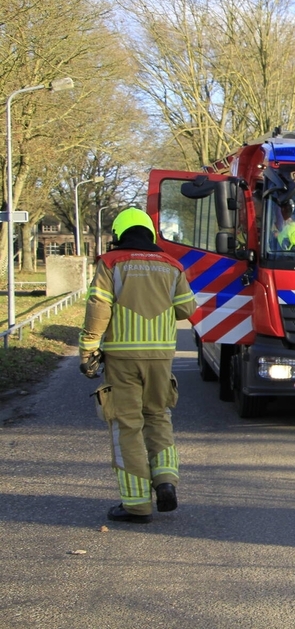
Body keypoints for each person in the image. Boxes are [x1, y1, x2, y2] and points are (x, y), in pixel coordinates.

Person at [79, 208, 197, 523]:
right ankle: (166, 481)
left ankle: (136, 504)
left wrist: (89, 348)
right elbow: (186, 308)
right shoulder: (172, 265)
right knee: (159, 417)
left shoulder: (111, 263)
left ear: (119, 233)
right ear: (150, 233)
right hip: (160, 358)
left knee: (127, 425)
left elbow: (98, 306)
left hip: (121, 358)